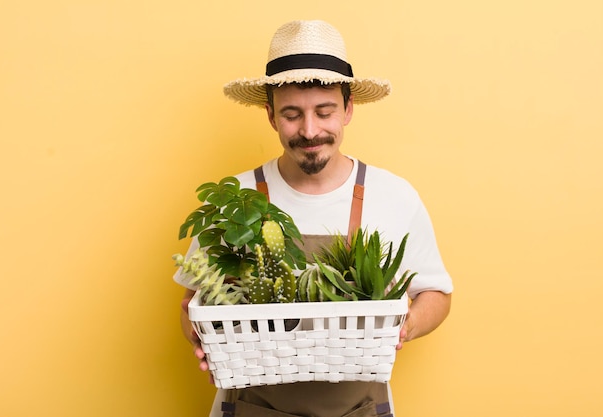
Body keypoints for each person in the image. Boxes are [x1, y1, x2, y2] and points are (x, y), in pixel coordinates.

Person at [174, 20, 453, 417]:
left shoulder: (394, 195)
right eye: (292, 114)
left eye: (324, 112)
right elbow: (191, 303)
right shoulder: (234, 201)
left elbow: (437, 294)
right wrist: (201, 339)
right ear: (270, 115)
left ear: (348, 109)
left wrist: (402, 326)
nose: (309, 130)